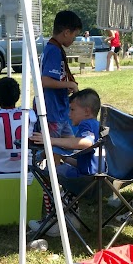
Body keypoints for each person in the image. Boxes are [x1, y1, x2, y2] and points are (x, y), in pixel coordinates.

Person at [28, 88, 102, 237]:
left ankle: (53, 221)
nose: (69, 114)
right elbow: (87, 159)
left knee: (47, 175)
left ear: (87, 111)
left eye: (73, 109)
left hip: (85, 178)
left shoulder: (86, 124)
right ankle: (72, 216)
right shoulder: (96, 124)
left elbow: (87, 143)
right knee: (60, 165)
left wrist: (51, 140)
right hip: (94, 174)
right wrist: (63, 157)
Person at [37, 10, 82, 166]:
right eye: (74, 36)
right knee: (54, 151)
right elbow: (44, 81)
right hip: (52, 111)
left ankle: (70, 178)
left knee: (68, 147)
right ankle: (50, 186)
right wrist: (68, 84)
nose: (74, 40)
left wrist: (64, 85)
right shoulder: (54, 51)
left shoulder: (55, 48)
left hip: (61, 111)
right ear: (66, 32)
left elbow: (54, 78)